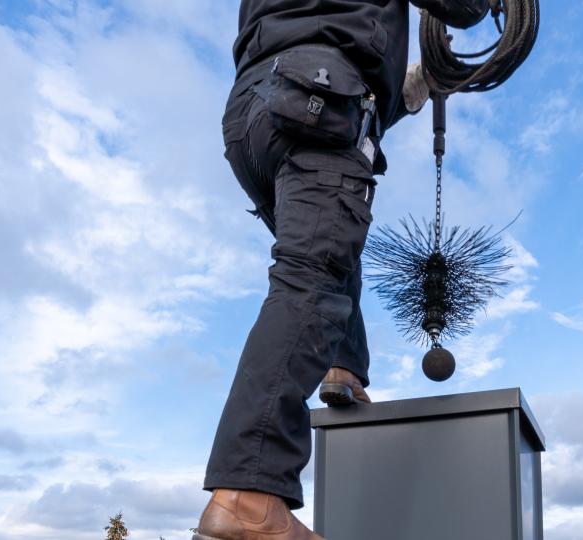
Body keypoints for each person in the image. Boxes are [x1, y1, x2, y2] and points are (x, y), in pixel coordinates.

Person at [194, 2, 489, 539]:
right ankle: (247, 494)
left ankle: (343, 369)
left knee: (329, 252)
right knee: (312, 278)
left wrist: (414, 85)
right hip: (315, 99)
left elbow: (326, 31)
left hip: (254, 116)